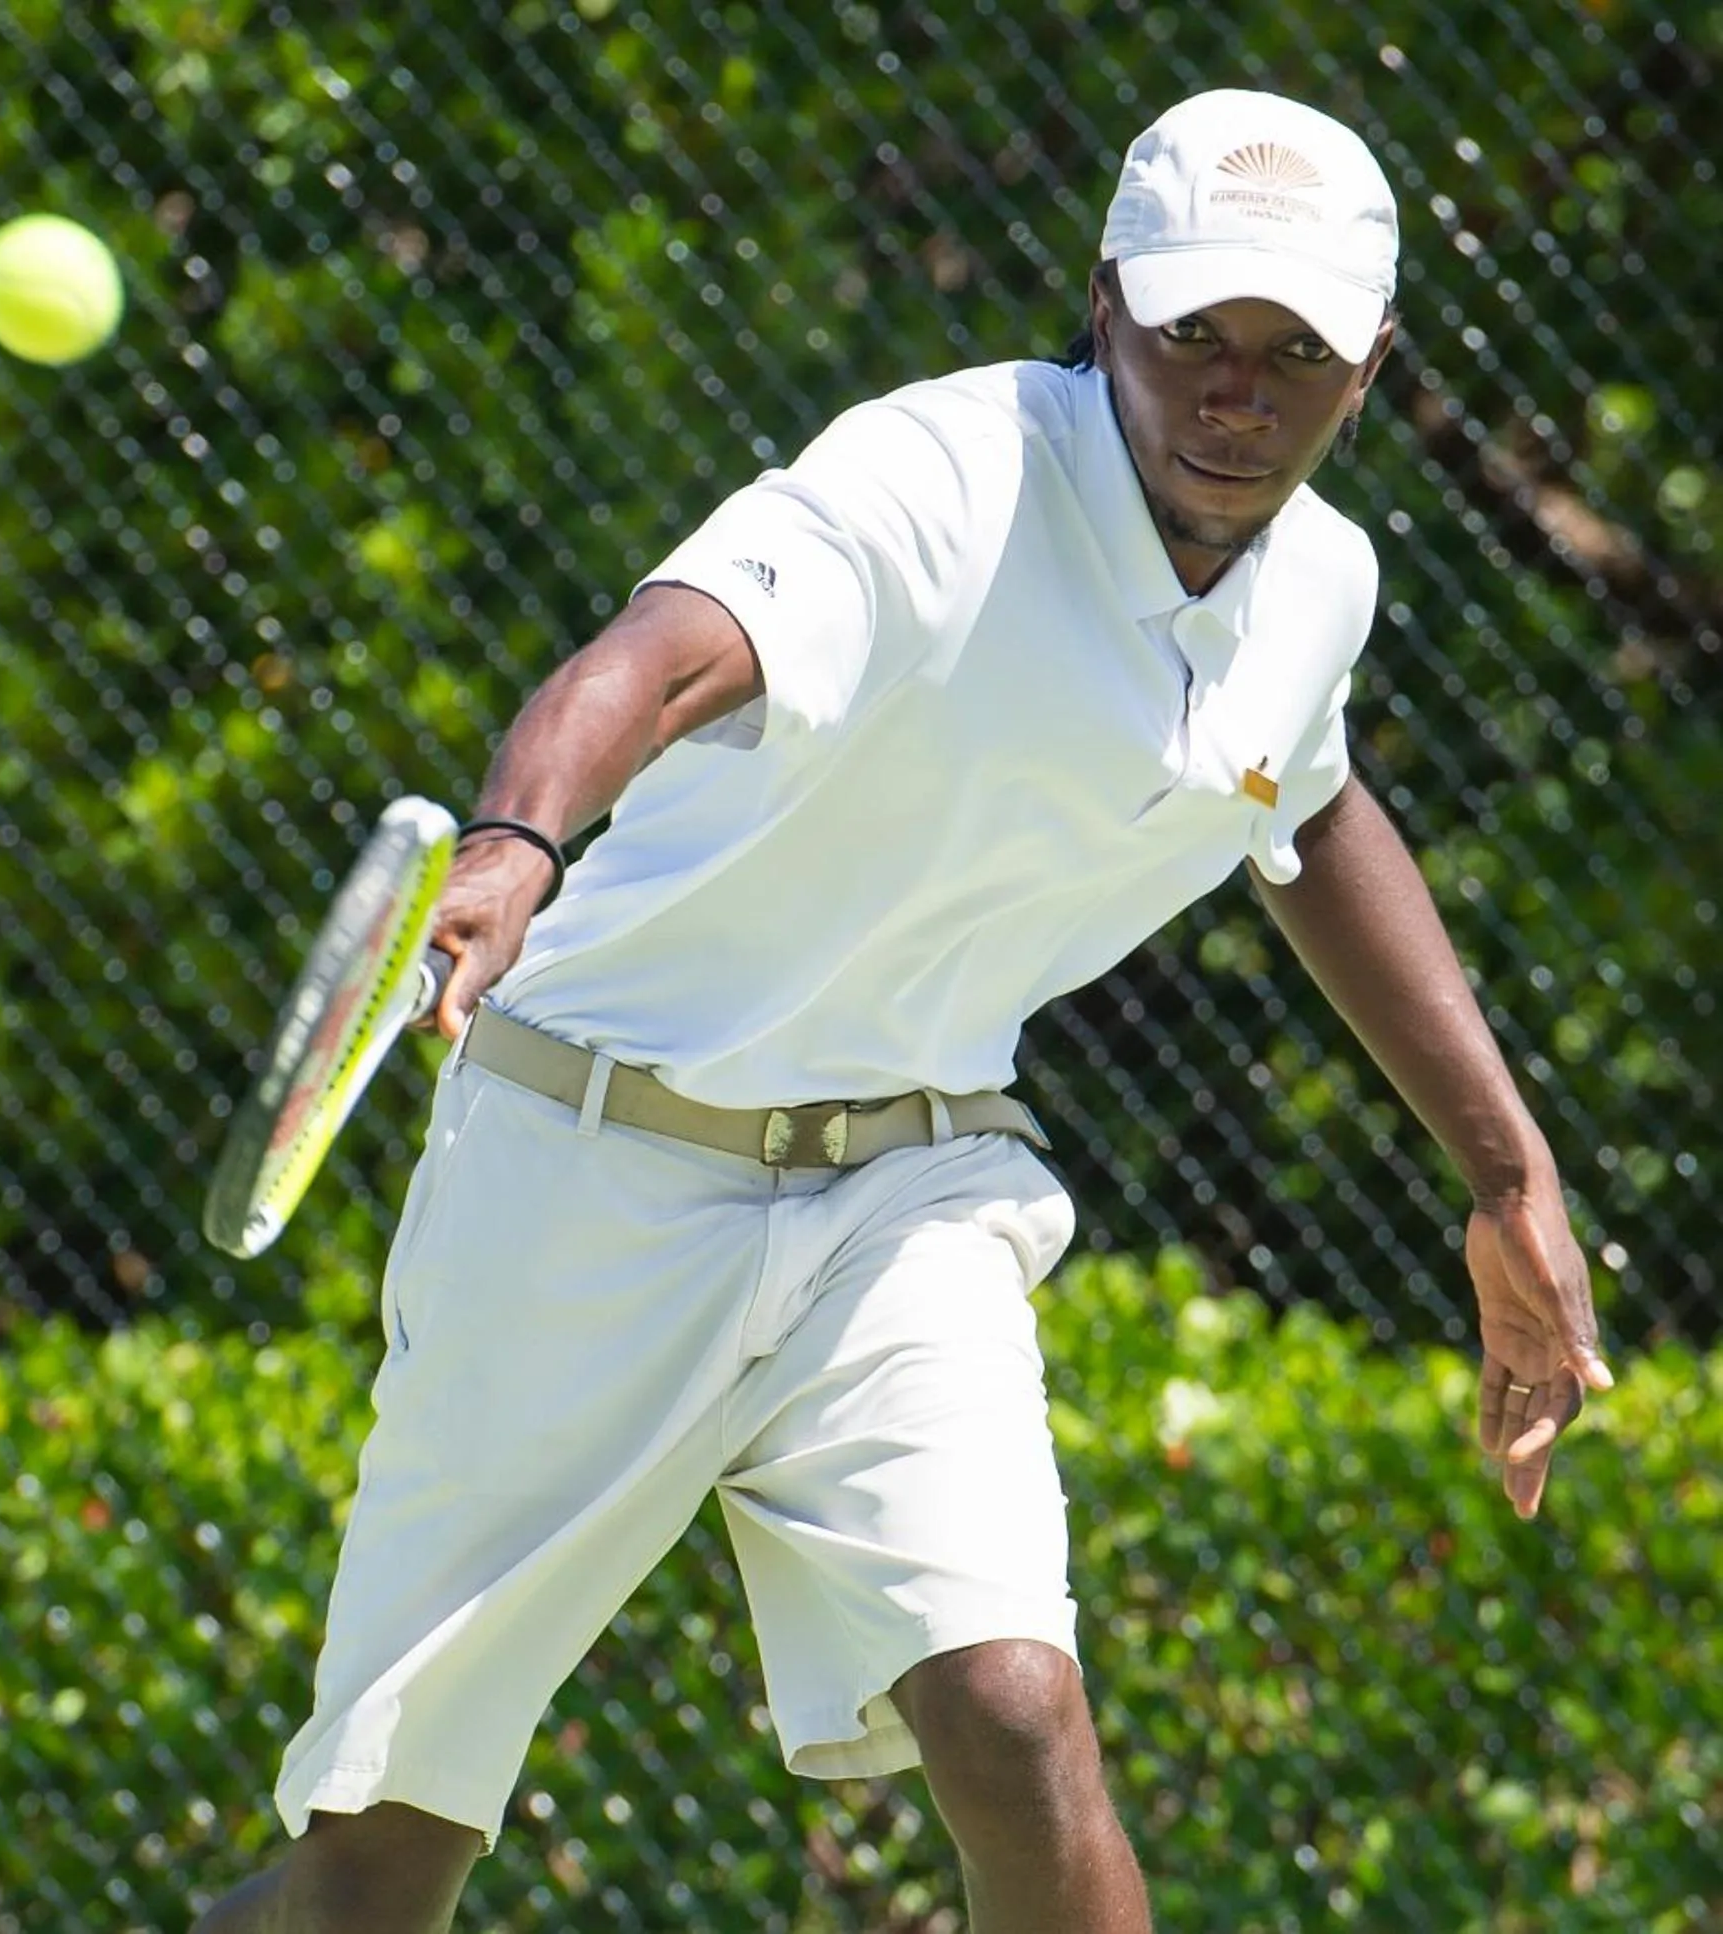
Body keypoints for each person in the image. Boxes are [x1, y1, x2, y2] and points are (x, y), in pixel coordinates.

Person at [192, 88, 1615, 1934]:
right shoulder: (938, 475)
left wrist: (1508, 1175)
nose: (1234, 390)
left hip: (907, 1186)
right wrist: (518, 837)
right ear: (1101, 301)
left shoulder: (1316, 581)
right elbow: (661, 652)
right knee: (379, 1870)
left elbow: (1309, 805)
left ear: (1369, 372)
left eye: (1293, 352)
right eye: (1193, 333)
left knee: (1014, 1712)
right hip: (587, 1156)